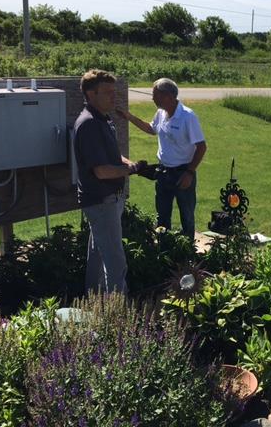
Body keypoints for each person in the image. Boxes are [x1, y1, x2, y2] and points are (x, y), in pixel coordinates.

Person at [74, 69, 142, 294]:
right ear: (91, 94)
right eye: (108, 92)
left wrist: (131, 164)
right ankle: (119, 310)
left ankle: (93, 299)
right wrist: (129, 170)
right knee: (115, 261)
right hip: (102, 199)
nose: (114, 96)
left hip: (108, 198)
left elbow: (112, 156)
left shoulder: (103, 119)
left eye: (114, 91)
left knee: (98, 253)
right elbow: (101, 171)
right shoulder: (89, 124)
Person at [118, 78, 206, 239]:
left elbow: (201, 147)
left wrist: (190, 173)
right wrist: (129, 117)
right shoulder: (161, 113)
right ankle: (164, 247)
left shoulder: (188, 116)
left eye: (155, 94)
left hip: (183, 173)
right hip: (163, 172)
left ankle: (187, 250)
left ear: (168, 96)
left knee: (187, 215)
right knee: (162, 215)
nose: (152, 98)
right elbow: (152, 129)